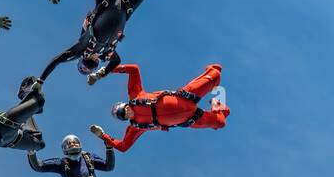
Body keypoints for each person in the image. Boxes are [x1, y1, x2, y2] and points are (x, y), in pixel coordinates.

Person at [38, 0, 157, 84]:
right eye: (88, 69)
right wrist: (101, 74)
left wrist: (40, 81)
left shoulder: (81, 48)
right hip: (126, 6)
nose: (87, 67)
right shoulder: (107, 54)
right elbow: (116, 61)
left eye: (83, 67)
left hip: (106, 0)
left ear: (81, 59)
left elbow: (57, 60)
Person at [91, 63, 230, 152]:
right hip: (190, 119)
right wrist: (104, 136)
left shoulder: (135, 95)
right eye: (122, 115)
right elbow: (123, 147)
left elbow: (133, 69)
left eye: (123, 109)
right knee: (221, 122)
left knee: (216, 73)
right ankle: (218, 107)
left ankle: (212, 80)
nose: (126, 112)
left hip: (187, 97)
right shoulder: (136, 127)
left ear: (125, 104)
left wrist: (107, 71)